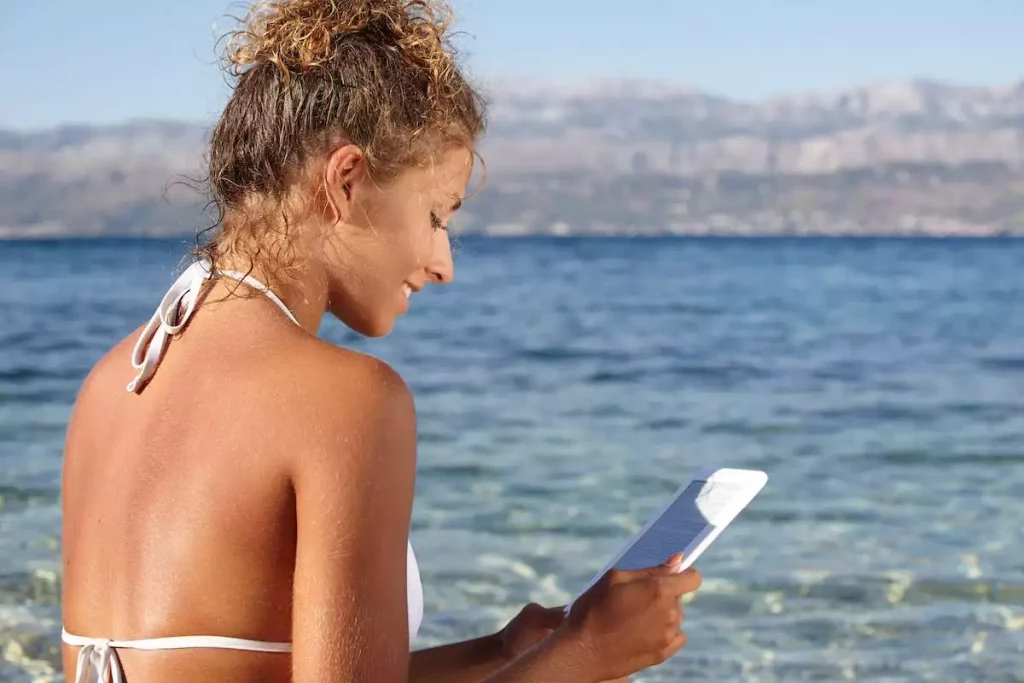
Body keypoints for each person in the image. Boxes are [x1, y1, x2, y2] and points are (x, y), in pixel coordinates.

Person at [59, 1, 703, 681]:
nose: (444, 262)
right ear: (345, 180)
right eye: (435, 215)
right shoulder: (345, 400)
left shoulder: (113, 380)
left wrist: (503, 653)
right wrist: (586, 657)